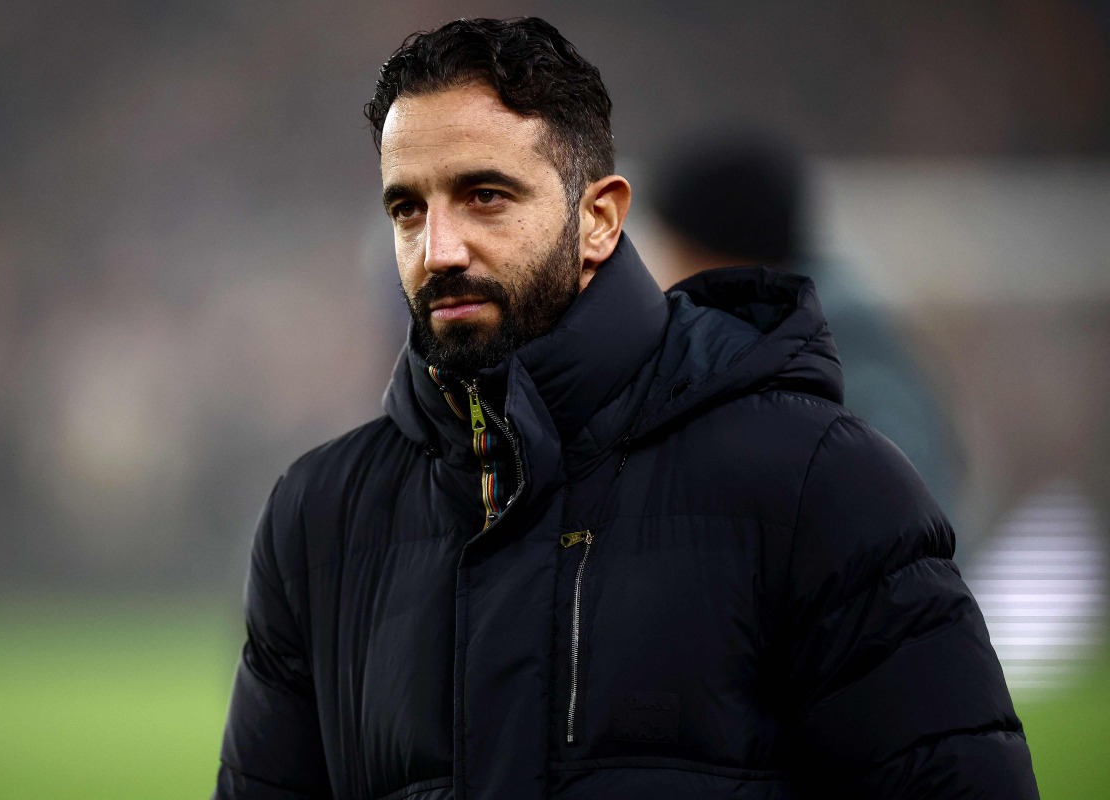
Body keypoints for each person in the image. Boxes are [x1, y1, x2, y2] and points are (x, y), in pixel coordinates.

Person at [214, 17, 1038, 800]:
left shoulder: (818, 482)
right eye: (408, 208)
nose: (440, 249)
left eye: (486, 196)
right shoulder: (318, 518)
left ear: (599, 219)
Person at [651, 131, 965, 519]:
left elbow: (905, 513)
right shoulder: (777, 341)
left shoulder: (843, 358)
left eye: (681, 257)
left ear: (723, 259)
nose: (669, 278)